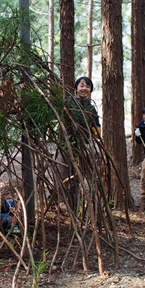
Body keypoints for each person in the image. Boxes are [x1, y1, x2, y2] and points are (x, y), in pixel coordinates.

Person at [55, 76, 101, 211]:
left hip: (82, 146)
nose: (84, 89)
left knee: (76, 176)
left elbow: (96, 126)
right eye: (81, 85)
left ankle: (73, 204)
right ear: (76, 88)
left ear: (91, 89)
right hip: (66, 144)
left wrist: (96, 133)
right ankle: (57, 202)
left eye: (87, 86)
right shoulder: (69, 102)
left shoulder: (91, 108)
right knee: (63, 173)